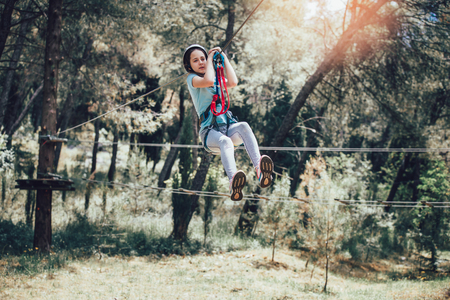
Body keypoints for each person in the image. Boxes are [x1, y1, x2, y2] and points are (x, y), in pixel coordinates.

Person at [183, 44, 273, 201]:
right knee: (225, 141)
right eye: (196, 60)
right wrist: (210, 59)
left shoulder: (215, 79)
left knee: (244, 126)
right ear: (189, 65)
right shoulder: (193, 79)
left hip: (227, 127)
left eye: (203, 58)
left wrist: (223, 57)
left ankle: (260, 169)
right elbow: (208, 79)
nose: (201, 62)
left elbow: (233, 82)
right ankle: (233, 182)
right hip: (210, 133)